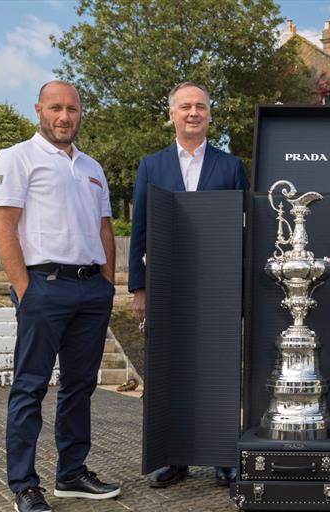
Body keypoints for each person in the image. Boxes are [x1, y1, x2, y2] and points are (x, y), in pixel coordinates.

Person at [0, 80, 120, 512]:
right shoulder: (16, 158)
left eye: (73, 109)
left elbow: (104, 229)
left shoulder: (92, 166)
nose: (65, 117)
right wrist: (26, 288)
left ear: (81, 113)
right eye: (56, 108)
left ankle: (72, 472)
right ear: (39, 110)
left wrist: (105, 283)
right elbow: (3, 226)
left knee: (80, 386)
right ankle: (24, 484)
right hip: (44, 286)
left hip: (90, 290)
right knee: (30, 387)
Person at [129, 81, 248, 488]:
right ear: (172, 115)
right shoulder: (151, 165)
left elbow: (245, 230)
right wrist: (139, 289)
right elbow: (140, 230)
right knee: (170, 373)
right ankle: (172, 456)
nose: (193, 112)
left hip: (220, 288)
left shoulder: (231, 167)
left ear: (210, 115)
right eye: (185, 107)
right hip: (167, 288)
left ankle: (222, 454)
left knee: (220, 372)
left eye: (200, 106)